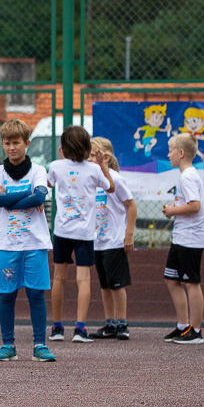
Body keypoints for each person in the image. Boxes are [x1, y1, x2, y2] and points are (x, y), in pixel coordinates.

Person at [0, 120, 56, 363]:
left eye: (16, 142)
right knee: (7, 296)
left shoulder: (38, 170)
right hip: (6, 245)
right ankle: (8, 345)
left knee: (36, 294)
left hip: (34, 244)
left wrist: (11, 197)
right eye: (6, 143)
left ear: (27, 143)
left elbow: (40, 194)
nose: (11, 147)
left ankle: (40, 344)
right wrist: (27, 195)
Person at [47, 125, 115, 343]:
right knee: (83, 279)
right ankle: (80, 328)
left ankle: (57, 327)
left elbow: (48, 183)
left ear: (64, 147)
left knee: (59, 278)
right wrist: (103, 165)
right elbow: (110, 187)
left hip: (62, 230)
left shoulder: (56, 166)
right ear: (87, 147)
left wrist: (61, 158)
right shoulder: (93, 170)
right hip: (85, 232)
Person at [162, 133, 204, 345]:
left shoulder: (188, 176)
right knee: (172, 279)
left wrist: (172, 210)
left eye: (171, 150)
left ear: (181, 153)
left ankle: (196, 331)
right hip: (181, 237)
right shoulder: (186, 175)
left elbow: (194, 205)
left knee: (191, 283)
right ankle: (183, 326)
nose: (168, 154)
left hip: (191, 239)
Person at [88, 137, 136, 341]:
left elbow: (131, 206)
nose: (88, 159)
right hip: (97, 242)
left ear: (105, 157)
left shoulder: (116, 179)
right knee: (105, 285)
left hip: (114, 240)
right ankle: (110, 323)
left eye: (92, 155)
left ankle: (122, 323)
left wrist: (129, 234)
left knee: (117, 285)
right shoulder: (91, 180)